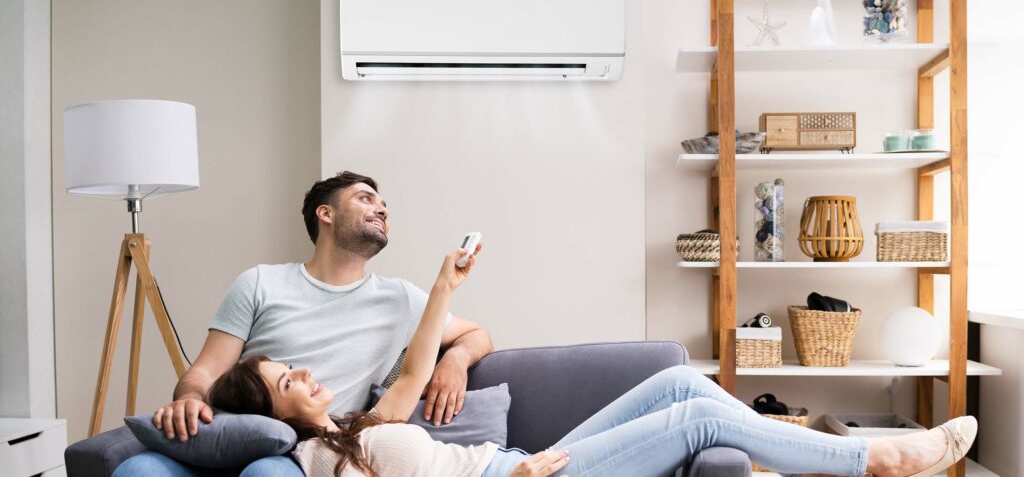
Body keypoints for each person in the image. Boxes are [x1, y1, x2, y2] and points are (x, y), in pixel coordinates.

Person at [208, 244, 977, 477]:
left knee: (680, 378)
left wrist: (443, 286)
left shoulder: (355, 425)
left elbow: (415, 368)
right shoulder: (312, 464)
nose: (305, 374)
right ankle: (870, 459)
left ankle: (811, 458)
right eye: (286, 380)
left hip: (523, 461)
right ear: (269, 413)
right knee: (702, 415)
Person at [114, 172, 494, 476]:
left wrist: (455, 361)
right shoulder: (260, 282)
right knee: (138, 469)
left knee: (268, 473)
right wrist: (189, 400)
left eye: (383, 205)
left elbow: (477, 335)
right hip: (230, 434)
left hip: (303, 453)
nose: (381, 209)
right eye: (365, 198)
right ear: (325, 214)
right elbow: (205, 371)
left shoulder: (402, 299)